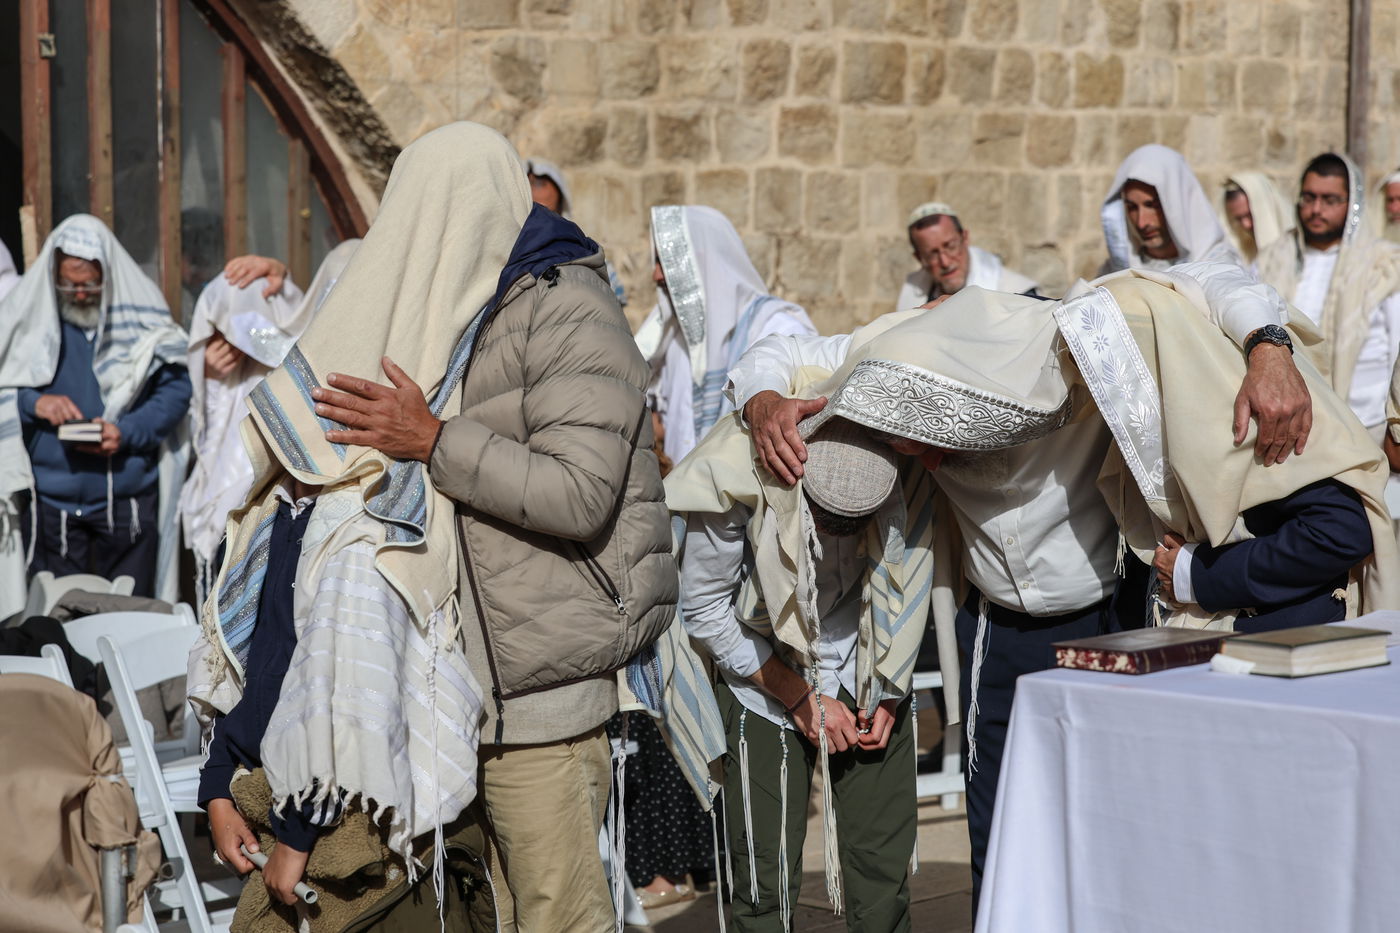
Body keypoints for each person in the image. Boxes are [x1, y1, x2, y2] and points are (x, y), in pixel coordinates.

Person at [728, 260, 1314, 918]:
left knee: (1109, 816)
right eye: (911, 443)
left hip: (1103, 620)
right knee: (998, 827)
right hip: (993, 633)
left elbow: (1206, 277)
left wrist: (1270, 348)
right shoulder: (896, 348)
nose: (931, 462)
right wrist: (762, 400)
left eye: (937, 439)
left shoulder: (1066, 334)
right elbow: (776, 352)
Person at [307, 123, 676, 932]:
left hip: (545, 698)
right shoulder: (467, 311)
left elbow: (580, 493)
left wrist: (431, 440)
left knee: (559, 918)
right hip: (465, 697)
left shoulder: (569, 309)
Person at [667, 404, 937, 932]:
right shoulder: (734, 488)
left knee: (884, 876)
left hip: (868, 666)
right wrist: (796, 695)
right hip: (762, 678)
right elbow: (703, 611)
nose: (841, 528)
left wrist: (888, 687)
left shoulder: (901, 477)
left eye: (858, 518)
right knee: (763, 884)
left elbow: (909, 576)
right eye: (827, 513)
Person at [0, 215, 190, 610]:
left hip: (126, 504)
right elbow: (5, 383)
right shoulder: (29, 322)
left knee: (130, 618)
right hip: (53, 507)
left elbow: (175, 390)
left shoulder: (142, 319)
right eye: (69, 284)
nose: (80, 294)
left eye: (89, 284)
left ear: (108, 276)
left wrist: (127, 431)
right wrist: (35, 403)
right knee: (57, 620)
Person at [179, 242, 358, 596]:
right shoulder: (237, 373)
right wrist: (211, 377)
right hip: (241, 505)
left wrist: (284, 280)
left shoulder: (315, 349)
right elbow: (213, 429)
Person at [638, 204, 817, 467]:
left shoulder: (775, 329)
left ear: (704, 259)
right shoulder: (672, 338)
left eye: (667, 262)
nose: (656, 275)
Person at [1256, 153, 1400, 446]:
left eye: (1330, 200)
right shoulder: (1272, 258)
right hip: (1286, 426)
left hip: (1365, 428)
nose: (1316, 209)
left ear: (1353, 203)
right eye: (1308, 198)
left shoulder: (1384, 266)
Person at [1100, 144, 1241, 274]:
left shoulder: (1217, 267)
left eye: (1151, 206)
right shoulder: (1116, 270)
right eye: (1132, 208)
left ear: (1175, 203)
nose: (1142, 223)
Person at [895, 201, 1039, 311]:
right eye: (932, 254)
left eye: (950, 246)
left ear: (965, 238)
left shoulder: (1020, 296)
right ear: (920, 258)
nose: (945, 262)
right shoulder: (911, 297)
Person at [525, 156, 629, 308]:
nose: (533, 189)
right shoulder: (507, 255)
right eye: (528, 182)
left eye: (540, 183)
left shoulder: (586, 255)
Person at [1221, 172, 1295, 268]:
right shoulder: (1242, 256)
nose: (1246, 224)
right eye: (1239, 219)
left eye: (1250, 215)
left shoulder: (1298, 249)